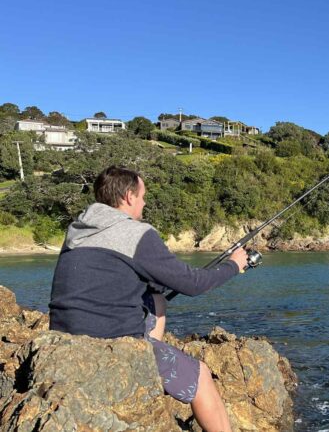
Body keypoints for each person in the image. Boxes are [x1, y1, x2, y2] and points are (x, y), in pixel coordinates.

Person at [49, 165, 248, 432]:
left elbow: (109, 273)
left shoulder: (77, 230)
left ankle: (149, 356)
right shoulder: (135, 234)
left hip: (61, 336)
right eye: (143, 196)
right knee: (201, 377)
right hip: (109, 341)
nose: (144, 202)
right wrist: (234, 265)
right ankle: (144, 361)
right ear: (129, 197)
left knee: (156, 298)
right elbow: (194, 284)